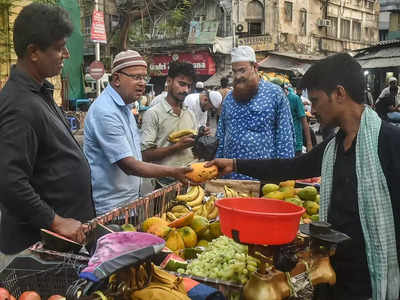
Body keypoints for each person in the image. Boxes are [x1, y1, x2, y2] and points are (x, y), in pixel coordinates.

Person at [207, 53, 400, 300]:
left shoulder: (390, 143)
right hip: (333, 271)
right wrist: (235, 163)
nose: (313, 109)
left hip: (373, 275)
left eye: (317, 100)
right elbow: (291, 167)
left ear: (339, 94)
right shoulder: (334, 147)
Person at [0, 3, 95, 267]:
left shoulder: (40, 93)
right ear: (33, 52)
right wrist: (56, 220)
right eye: (58, 47)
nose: (65, 54)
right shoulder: (19, 105)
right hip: (38, 253)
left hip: (61, 245)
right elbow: (10, 182)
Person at [84, 50, 191, 215]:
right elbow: (130, 166)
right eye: (136, 77)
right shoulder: (105, 111)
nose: (142, 83)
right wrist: (174, 172)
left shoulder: (125, 106)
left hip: (129, 202)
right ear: (116, 79)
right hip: (111, 208)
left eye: (144, 77)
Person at [215, 46, 295, 180]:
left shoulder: (275, 94)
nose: (238, 76)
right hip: (230, 180)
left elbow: (285, 139)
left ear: (255, 67)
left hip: (264, 179)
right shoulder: (229, 99)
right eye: (234, 71)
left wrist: (284, 177)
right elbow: (221, 136)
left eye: (242, 70)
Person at [141, 61, 198, 188]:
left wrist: (202, 139)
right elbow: (145, 155)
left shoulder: (190, 114)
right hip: (164, 185)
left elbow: (194, 151)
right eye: (182, 84)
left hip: (190, 181)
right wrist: (176, 147)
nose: (186, 90)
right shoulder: (153, 114)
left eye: (189, 86)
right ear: (169, 81)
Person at [285, 87, 312, 155]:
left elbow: (304, 121)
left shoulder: (294, 98)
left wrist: (309, 143)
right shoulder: (276, 99)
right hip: (282, 144)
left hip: (296, 144)